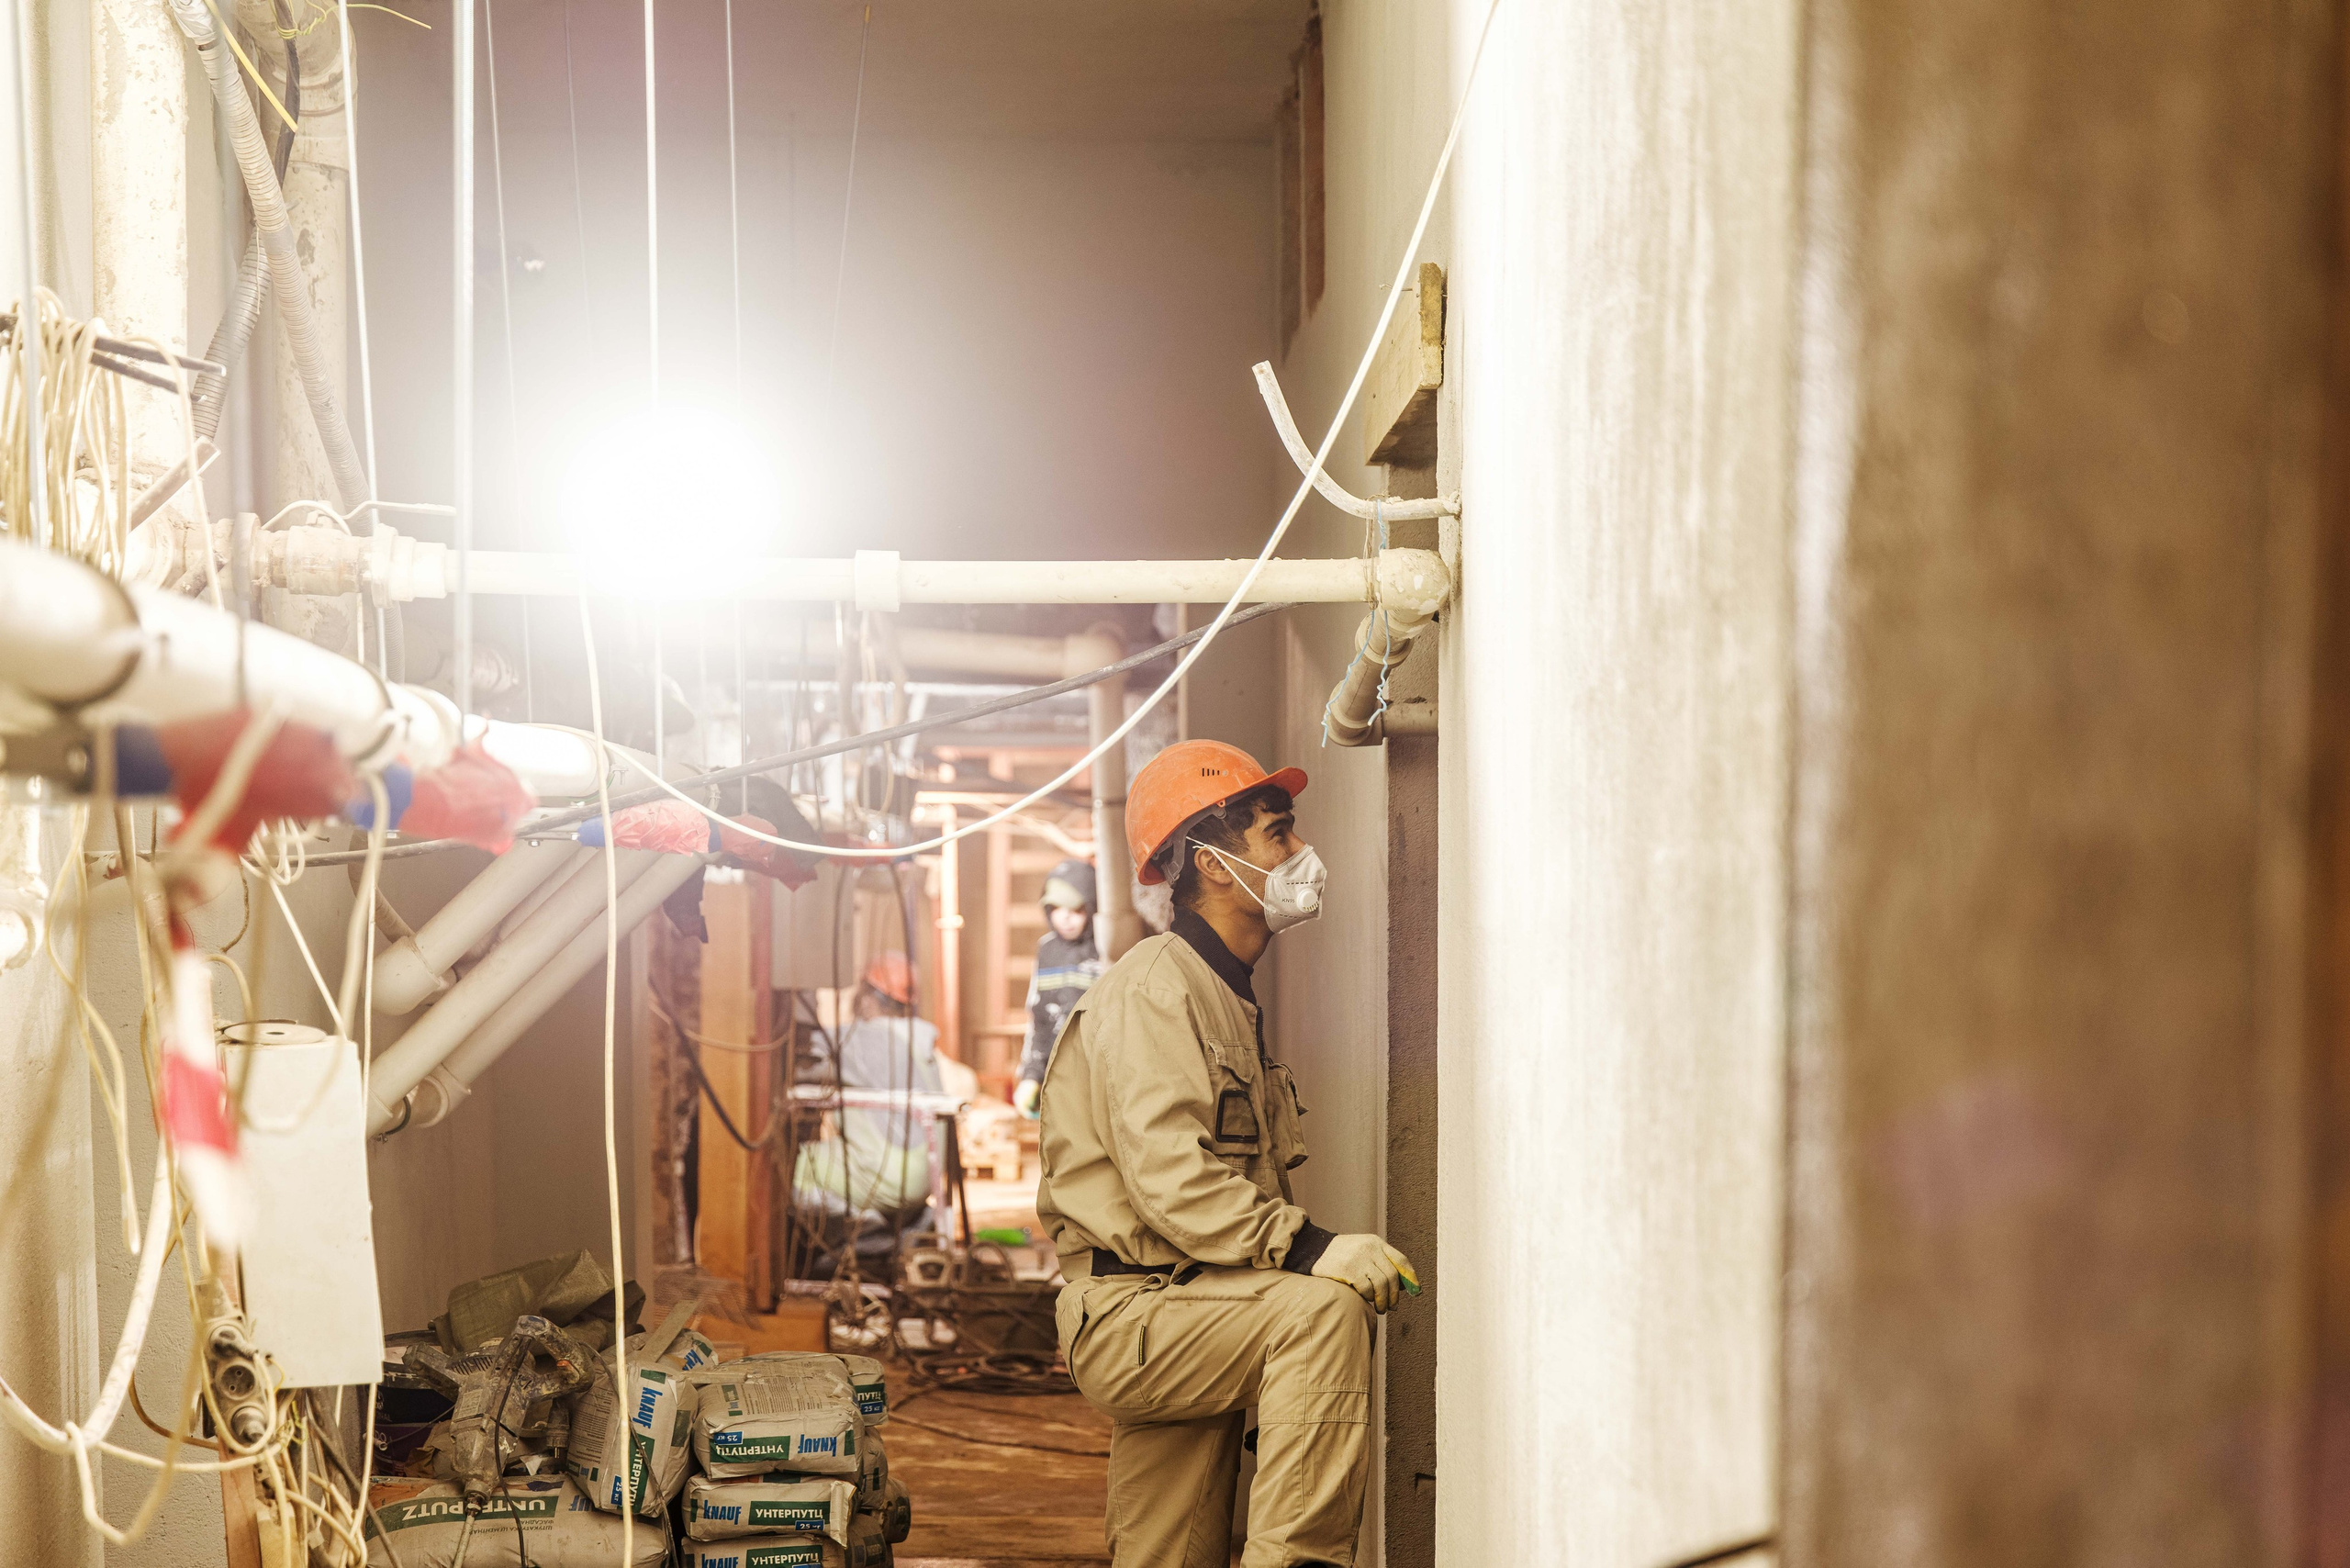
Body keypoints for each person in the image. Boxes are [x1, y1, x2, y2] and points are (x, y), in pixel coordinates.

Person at [1035, 740, 1416, 1567]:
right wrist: (1313, 1248)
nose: (1299, 854)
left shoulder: (1218, 994)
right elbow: (1173, 1180)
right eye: (1277, 836)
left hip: (1186, 1299)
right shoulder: (1156, 994)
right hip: (1138, 1311)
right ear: (1212, 864)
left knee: (1162, 1554)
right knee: (1321, 1313)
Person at [793, 953, 946, 1223]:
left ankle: (863, 1228)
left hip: (890, 1174)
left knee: (794, 1164)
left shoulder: (868, 1038)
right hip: (926, 1177)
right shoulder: (917, 1040)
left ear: (866, 997)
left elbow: (801, 1058)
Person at [1013, 858, 1108, 1119]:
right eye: (1056, 908)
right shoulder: (1047, 949)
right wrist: (1031, 1076)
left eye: (1075, 909)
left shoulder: (1108, 949)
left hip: (1100, 1083)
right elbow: (1040, 1020)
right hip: (1058, 1081)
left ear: (1092, 908)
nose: (1064, 918)